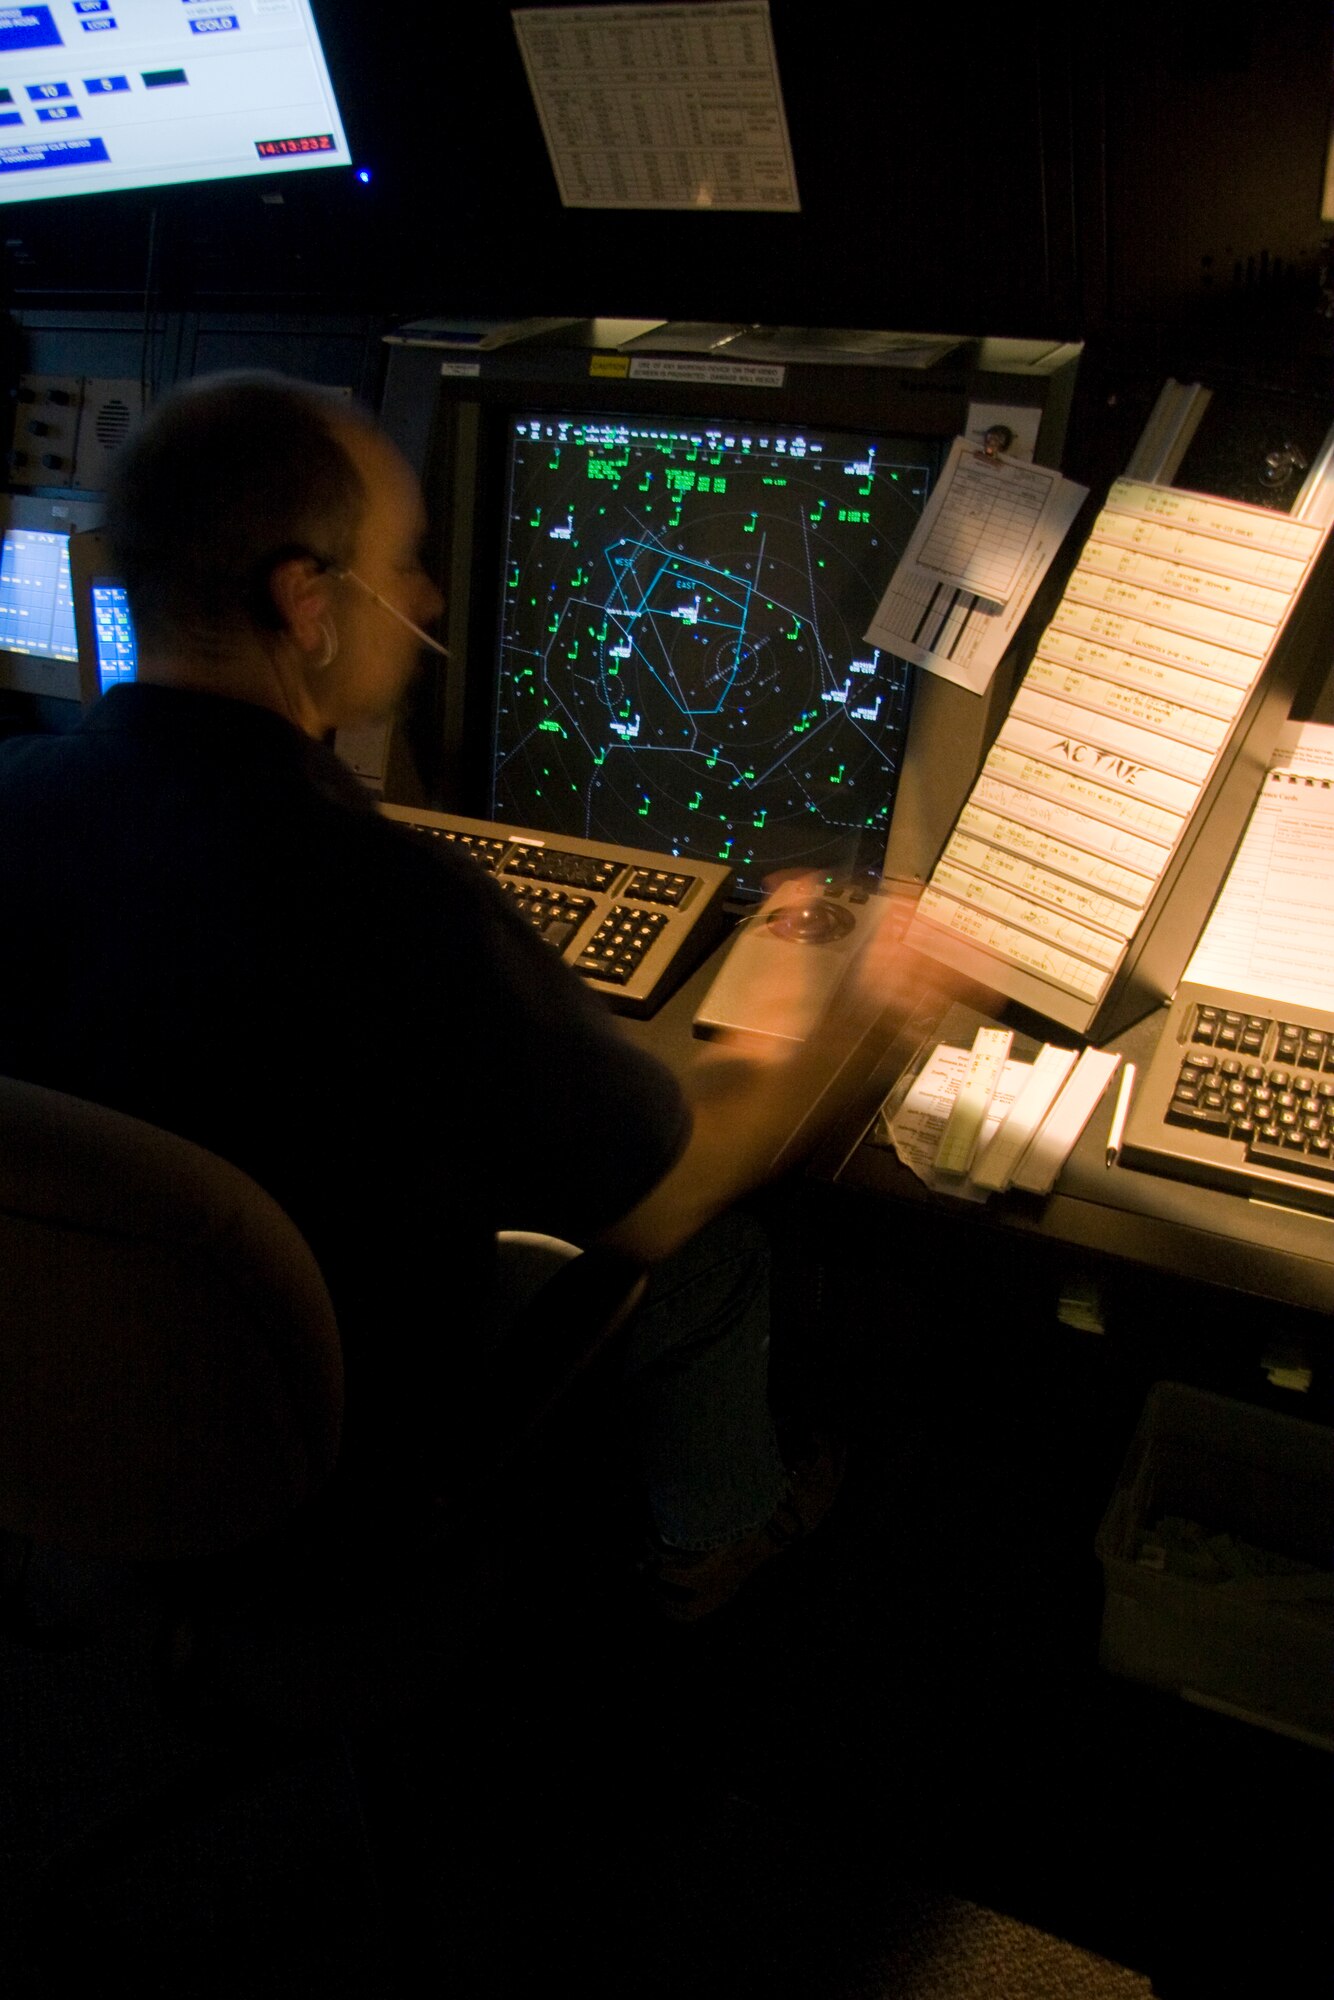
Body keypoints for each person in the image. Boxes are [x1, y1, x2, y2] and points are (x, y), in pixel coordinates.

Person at [0, 372, 945, 1620]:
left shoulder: (16, 797)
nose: (434, 600)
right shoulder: (387, 898)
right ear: (308, 604)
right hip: (335, 1461)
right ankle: (718, 1530)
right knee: (716, 1253)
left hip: (67, 1420)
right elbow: (660, 1192)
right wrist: (856, 1010)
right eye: (404, 563)